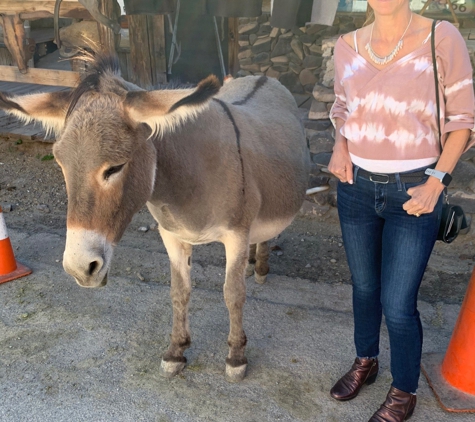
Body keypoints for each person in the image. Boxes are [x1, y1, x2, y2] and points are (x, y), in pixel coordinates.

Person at [328, 1, 474, 421]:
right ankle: (366, 360)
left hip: (414, 190)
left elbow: (463, 120)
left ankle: (404, 388)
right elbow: (342, 108)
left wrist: (436, 184)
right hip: (356, 188)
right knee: (364, 289)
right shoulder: (347, 45)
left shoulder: (440, 36)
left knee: (397, 303)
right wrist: (341, 146)